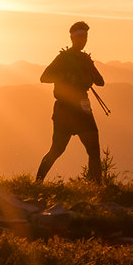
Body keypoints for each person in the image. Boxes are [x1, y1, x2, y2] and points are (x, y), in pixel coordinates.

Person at [35, 20, 106, 184]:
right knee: (59, 150)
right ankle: (37, 183)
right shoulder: (63, 58)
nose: (84, 40)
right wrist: (68, 77)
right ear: (73, 39)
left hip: (76, 109)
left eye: (86, 37)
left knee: (90, 150)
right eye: (81, 37)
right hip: (68, 110)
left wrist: (89, 75)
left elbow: (101, 82)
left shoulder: (85, 59)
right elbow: (44, 77)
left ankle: (96, 187)